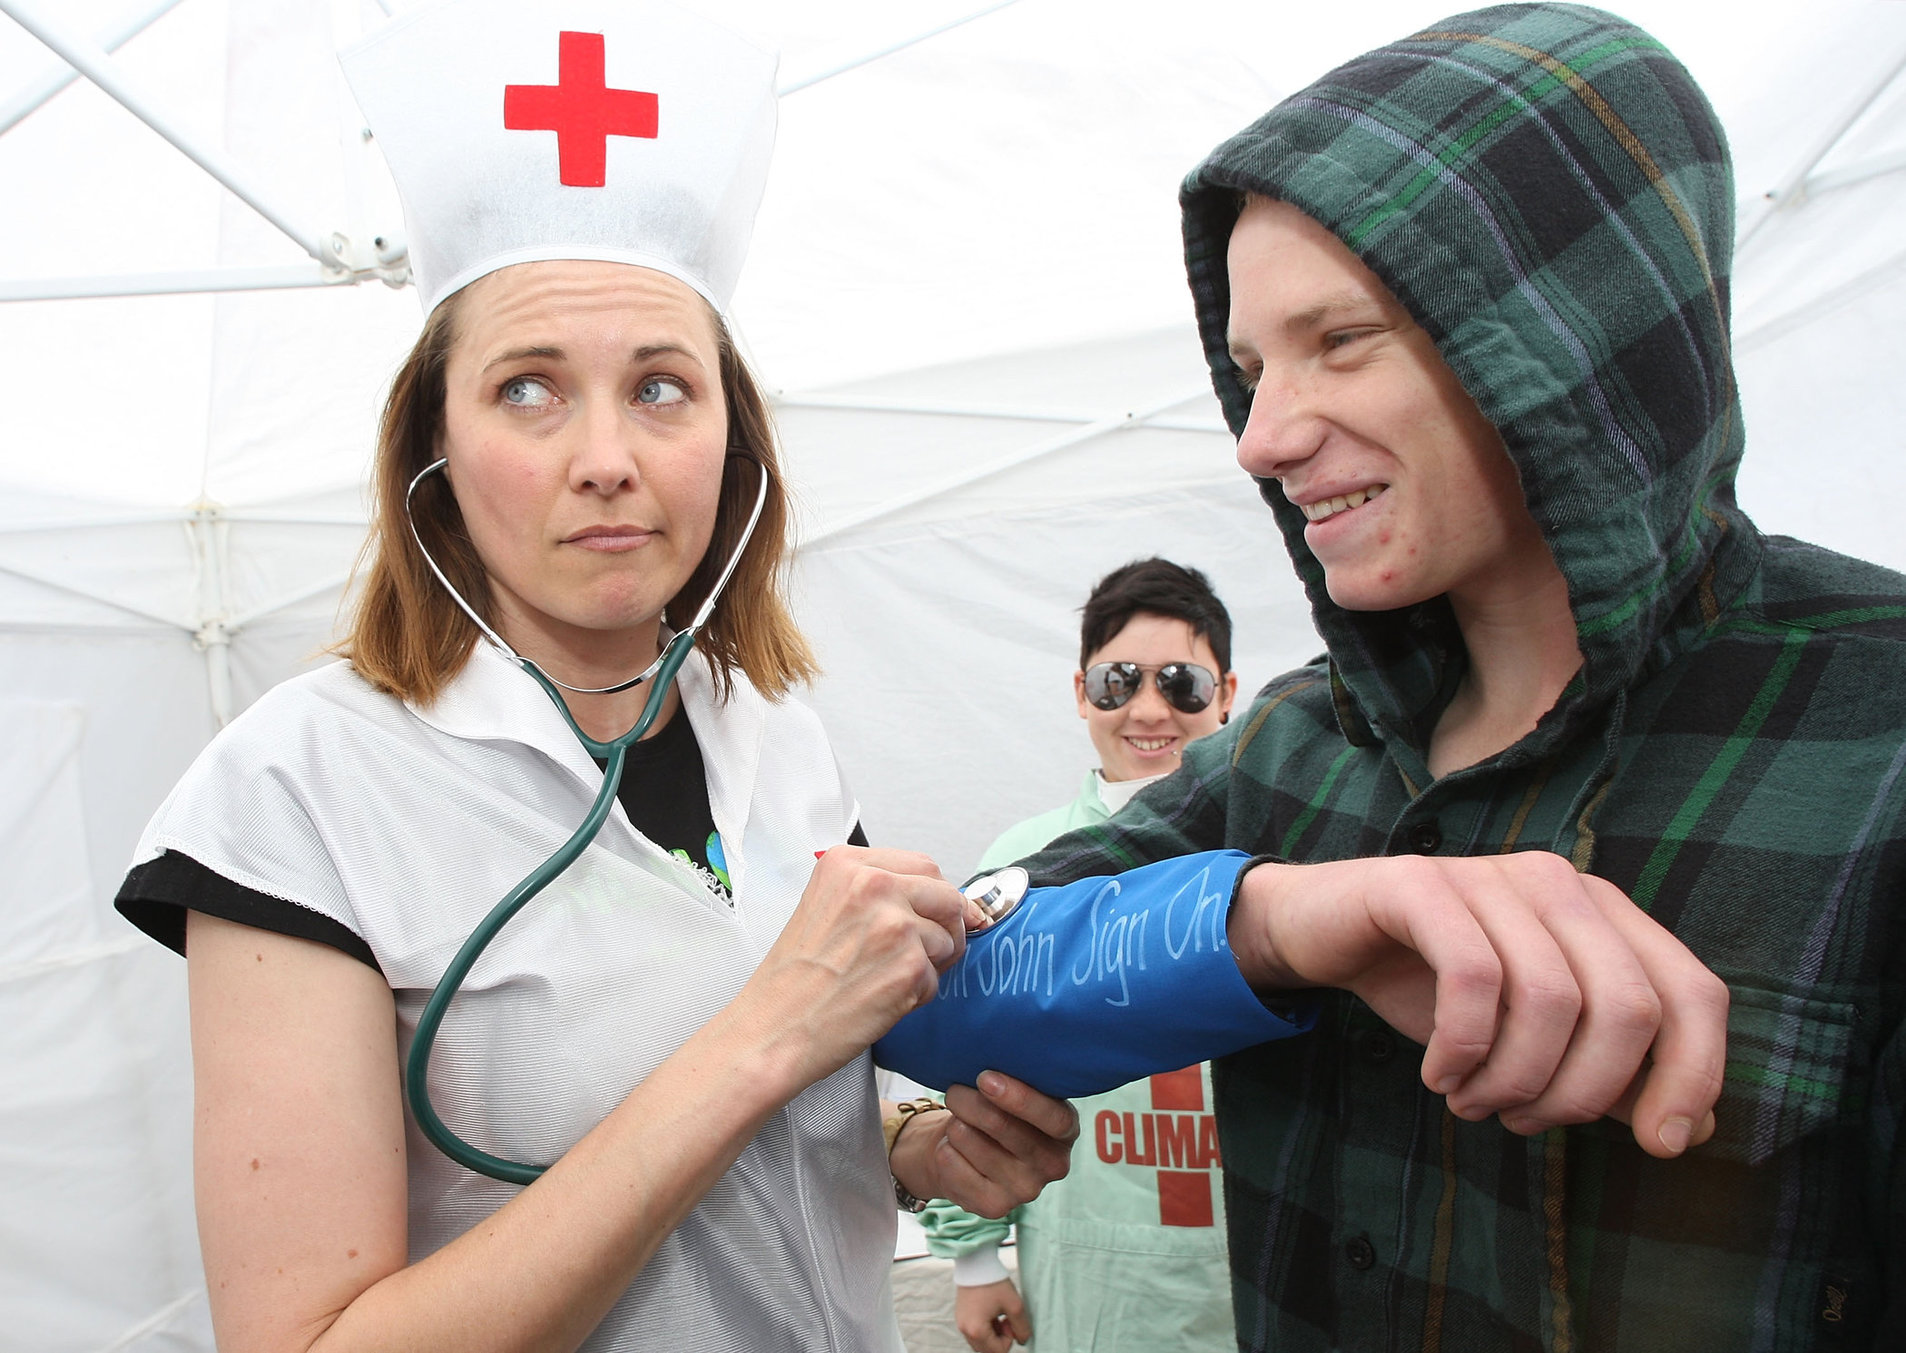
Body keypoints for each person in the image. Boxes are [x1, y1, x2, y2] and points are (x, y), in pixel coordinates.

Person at [906, 4, 1903, 1347]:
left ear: (1567, 331)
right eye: (1250, 368)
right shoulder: (1293, 748)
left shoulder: (1870, 732)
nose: (1261, 436)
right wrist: (1281, 921)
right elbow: (935, 994)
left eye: (1340, 340)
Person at [109, 5, 1075, 1350]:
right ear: (429, 455)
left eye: (664, 387)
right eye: (527, 388)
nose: (606, 455)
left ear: (733, 444)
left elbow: (812, 1102)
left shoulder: (777, 729)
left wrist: (919, 1145)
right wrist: (766, 1039)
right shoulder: (294, 797)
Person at [923, 557, 1240, 1353]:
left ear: (1227, 696)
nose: (1148, 708)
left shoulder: (1278, 854)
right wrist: (972, 1261)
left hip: (1249, 1263)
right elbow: (972, 1068)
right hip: (1088, 1271)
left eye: (1182, 684)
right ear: (1080, 692)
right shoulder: (1025, 863)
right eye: (1118, 681)